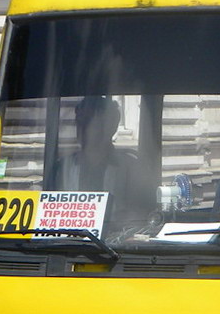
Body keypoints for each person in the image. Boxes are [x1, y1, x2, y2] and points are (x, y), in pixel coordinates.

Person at [52, 95, 153, 226]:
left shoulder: (132, 170)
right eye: (79, 121)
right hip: (70, 244)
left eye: (89, 121)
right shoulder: (61, 169)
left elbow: (146, 216)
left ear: (110, 127)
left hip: (115, 244)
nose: (81, 128)